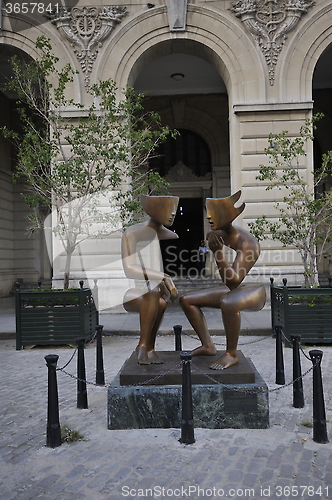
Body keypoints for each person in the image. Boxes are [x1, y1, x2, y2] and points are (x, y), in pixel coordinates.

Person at [179, 191, 266, 369]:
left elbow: (233, 282)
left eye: (214, 213)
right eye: (207, 211)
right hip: (236, 288)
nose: (209, 217)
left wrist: (218, 253)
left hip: (256, 293)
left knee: (229, 302)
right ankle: (207, 346)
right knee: (186, 300)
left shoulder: (249, 244)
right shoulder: (217, 233)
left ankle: (231, 354)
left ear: (227, 216)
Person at [122, 194, 179, 365]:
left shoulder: (170, 235)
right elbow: (129, 269)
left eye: (175, 209)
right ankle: (143, 345)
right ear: (154, 210)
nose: (173, 214)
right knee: (153, 288)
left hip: (155, 293)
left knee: (160, 301)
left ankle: (149, 348)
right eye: (169, 209)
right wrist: (163, 276)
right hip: (132, 295)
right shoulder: (131, 233)